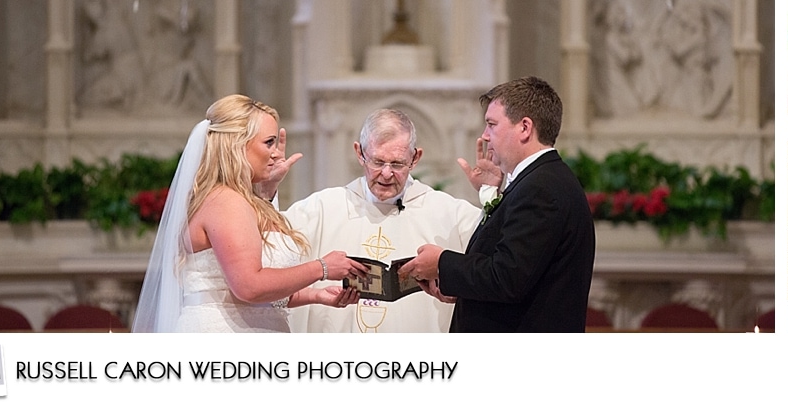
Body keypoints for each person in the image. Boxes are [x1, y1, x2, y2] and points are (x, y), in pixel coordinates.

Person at [132, 94, 366, 332]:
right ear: (237, 144)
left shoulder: (241, 199)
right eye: (269, 143)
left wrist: (315, 296)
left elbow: (254, 297)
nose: (276, 153)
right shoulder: (225, 201)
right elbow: (248, 287)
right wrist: (322, 268)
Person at [399, 76, 596, 332]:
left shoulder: (541, 188)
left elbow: (507, 278)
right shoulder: (538, 181)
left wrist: (441, 263)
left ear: (524, 128)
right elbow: (518, 273)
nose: (485, 135)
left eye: (492, 124)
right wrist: (489, 193)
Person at [281, 109, 482, 333]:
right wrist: (266, 190)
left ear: (415, 158)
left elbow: (499, 264)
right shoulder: (321, 209)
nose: (386, 174)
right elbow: (265, 250)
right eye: (377, 162)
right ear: (359, 153)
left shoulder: (450, 214)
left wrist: (492, 192)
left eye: (397, 164)